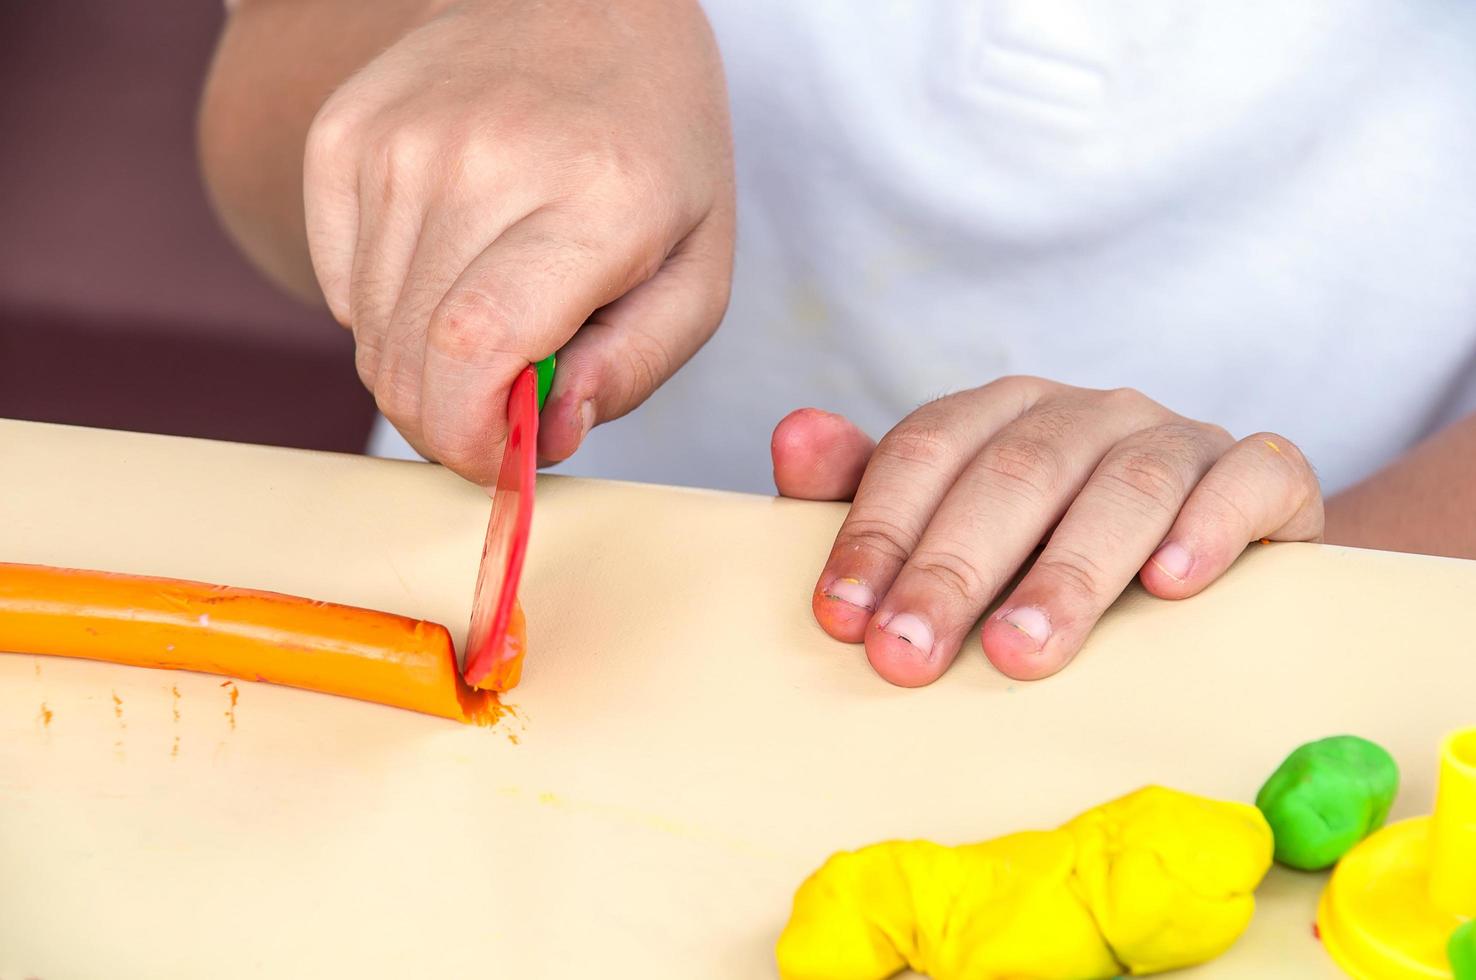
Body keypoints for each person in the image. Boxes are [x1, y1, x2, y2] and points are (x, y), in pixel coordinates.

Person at [200, 0, 1476, 688]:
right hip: (502, 613)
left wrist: (1280, 584)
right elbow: (263, 126)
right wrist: (481, 27)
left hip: (1264, 696)